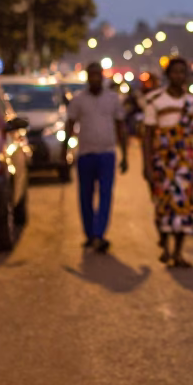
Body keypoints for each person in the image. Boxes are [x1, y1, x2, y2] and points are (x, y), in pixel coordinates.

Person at [66, 61, 130, 254]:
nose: (94, 79)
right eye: (91, 75)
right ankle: (90, 234)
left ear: (102, 76)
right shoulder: (78, 100)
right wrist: (64, 152)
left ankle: (99, 234)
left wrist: (125, 154)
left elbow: (121, 127)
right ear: (87, 77)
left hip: (107, 154)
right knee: (85, 196)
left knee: (105, 195)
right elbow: (70, 124)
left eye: (97, 75)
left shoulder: (112, 99)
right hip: (85, 154)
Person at [143, 57, 193, 268]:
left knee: (184, 205)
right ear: (167, 75)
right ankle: (165, 247)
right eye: (174, 72)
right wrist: (147, 165)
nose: (178, 76)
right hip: (162, 161)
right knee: (163, 204)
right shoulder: (154, 100)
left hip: (186, 161)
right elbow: (148, 135)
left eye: (182, 72)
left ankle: (178, 251)